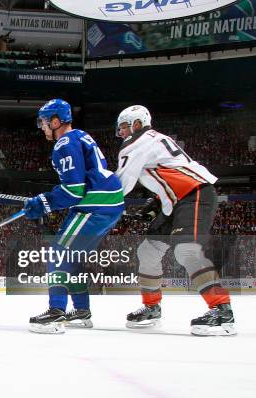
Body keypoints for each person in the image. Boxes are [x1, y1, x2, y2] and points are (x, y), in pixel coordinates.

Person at [115, 105, 236, 336]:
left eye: (123, 127)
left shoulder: (136, 142)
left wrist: (94, 200)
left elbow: (122, 185)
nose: (120, 132)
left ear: (136, 124)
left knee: (187, 251)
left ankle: (222, 310)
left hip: (194, 192)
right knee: (148, 251)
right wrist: (158, 202)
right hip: (177, 199)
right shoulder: (153, 139)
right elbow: (168, 173)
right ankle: (152, 307)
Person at [25, 99, 124, 334]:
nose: (42, 127)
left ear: (56, 121)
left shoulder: (63, 144)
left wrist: (43, 203)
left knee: (59, 252)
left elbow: (73, 190)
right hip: (109, 202)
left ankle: (56, 312)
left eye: (45, 122)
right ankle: (81, 312)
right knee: (74, 257)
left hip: (94, 205)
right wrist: (45, 201)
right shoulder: (80, 135)